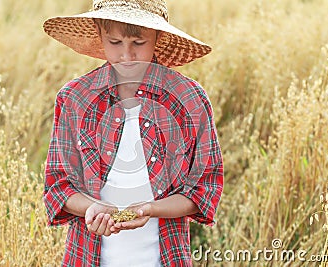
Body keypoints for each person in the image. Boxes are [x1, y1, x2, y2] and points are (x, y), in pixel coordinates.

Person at [43, 0, 223, 266]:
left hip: (165, 257)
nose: (126, 56)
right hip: (87, 257)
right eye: (114, 43)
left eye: (138, 43)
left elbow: (204, 189)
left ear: (158, 37)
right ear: (99, 35)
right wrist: (93, 209)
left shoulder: (189, 99)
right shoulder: (74, 99)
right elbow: (58, 186)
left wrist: (149, 210)